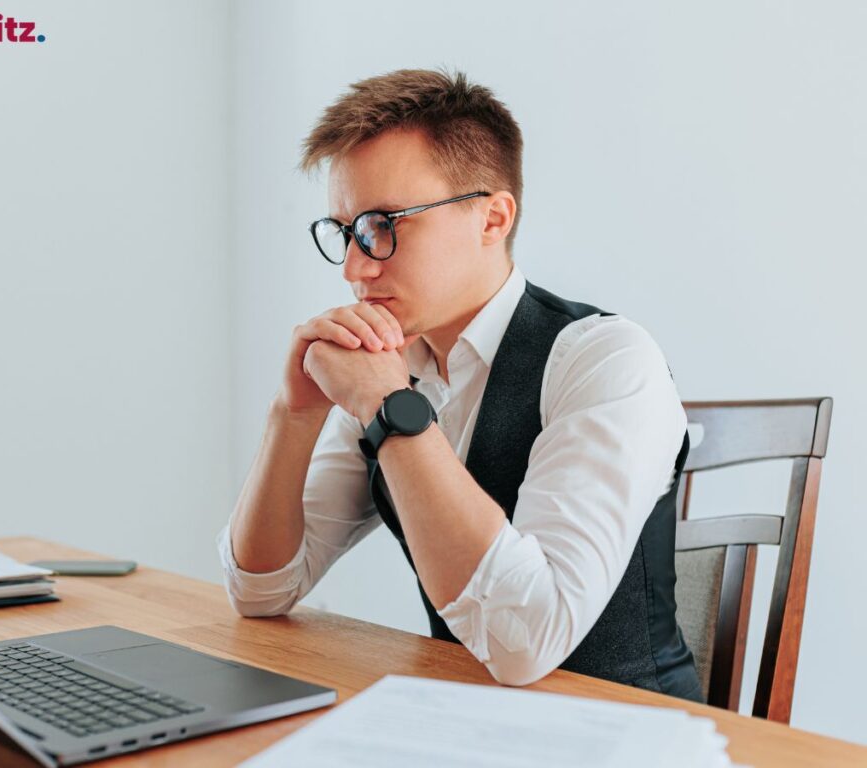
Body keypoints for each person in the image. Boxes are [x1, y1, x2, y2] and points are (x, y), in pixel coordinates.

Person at [216, 68, 702, 701]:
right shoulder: (390, 363)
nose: (355, 266)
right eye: (345, 232)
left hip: (627, 737)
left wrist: (391, 409)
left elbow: (526, 642)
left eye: (383, 223)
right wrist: (295, 411)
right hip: (463, 722)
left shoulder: (607, 359)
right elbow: (261, 590)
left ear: (493, 218)